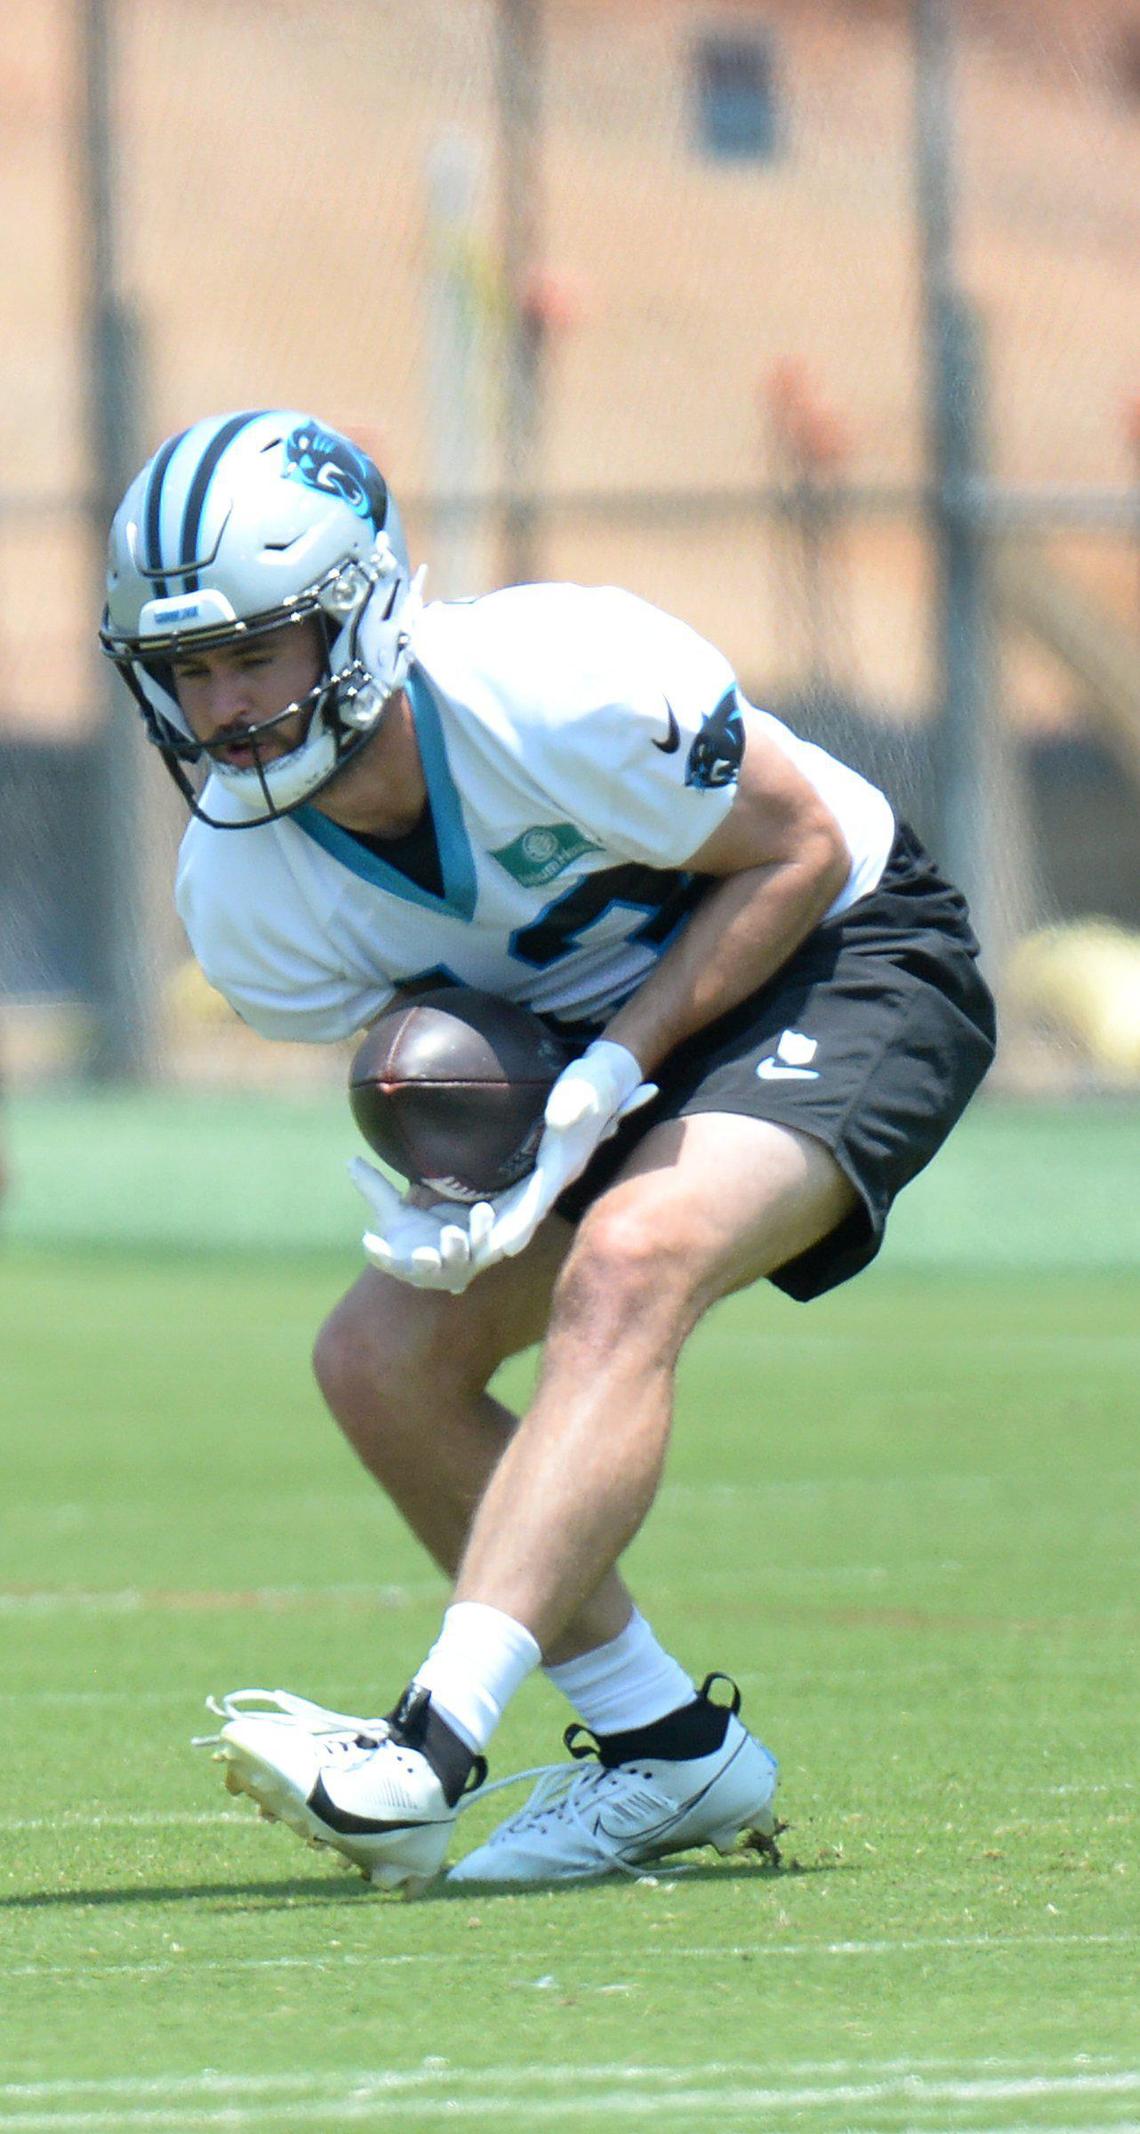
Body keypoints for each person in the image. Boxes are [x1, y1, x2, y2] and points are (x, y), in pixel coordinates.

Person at [102, 408, 995, 1893]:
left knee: (636, 1258)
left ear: (366, 613)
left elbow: (801, 852)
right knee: (378, 1359)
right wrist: (471, 1166)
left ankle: (430, 1741)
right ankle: (661, 1748)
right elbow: (449, 1030)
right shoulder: (245, 897)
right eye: (188, 671)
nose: (225, 709)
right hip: (591, 1046)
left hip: (841, 952)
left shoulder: (563, 680)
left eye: (256, 654)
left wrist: (612, 1077)